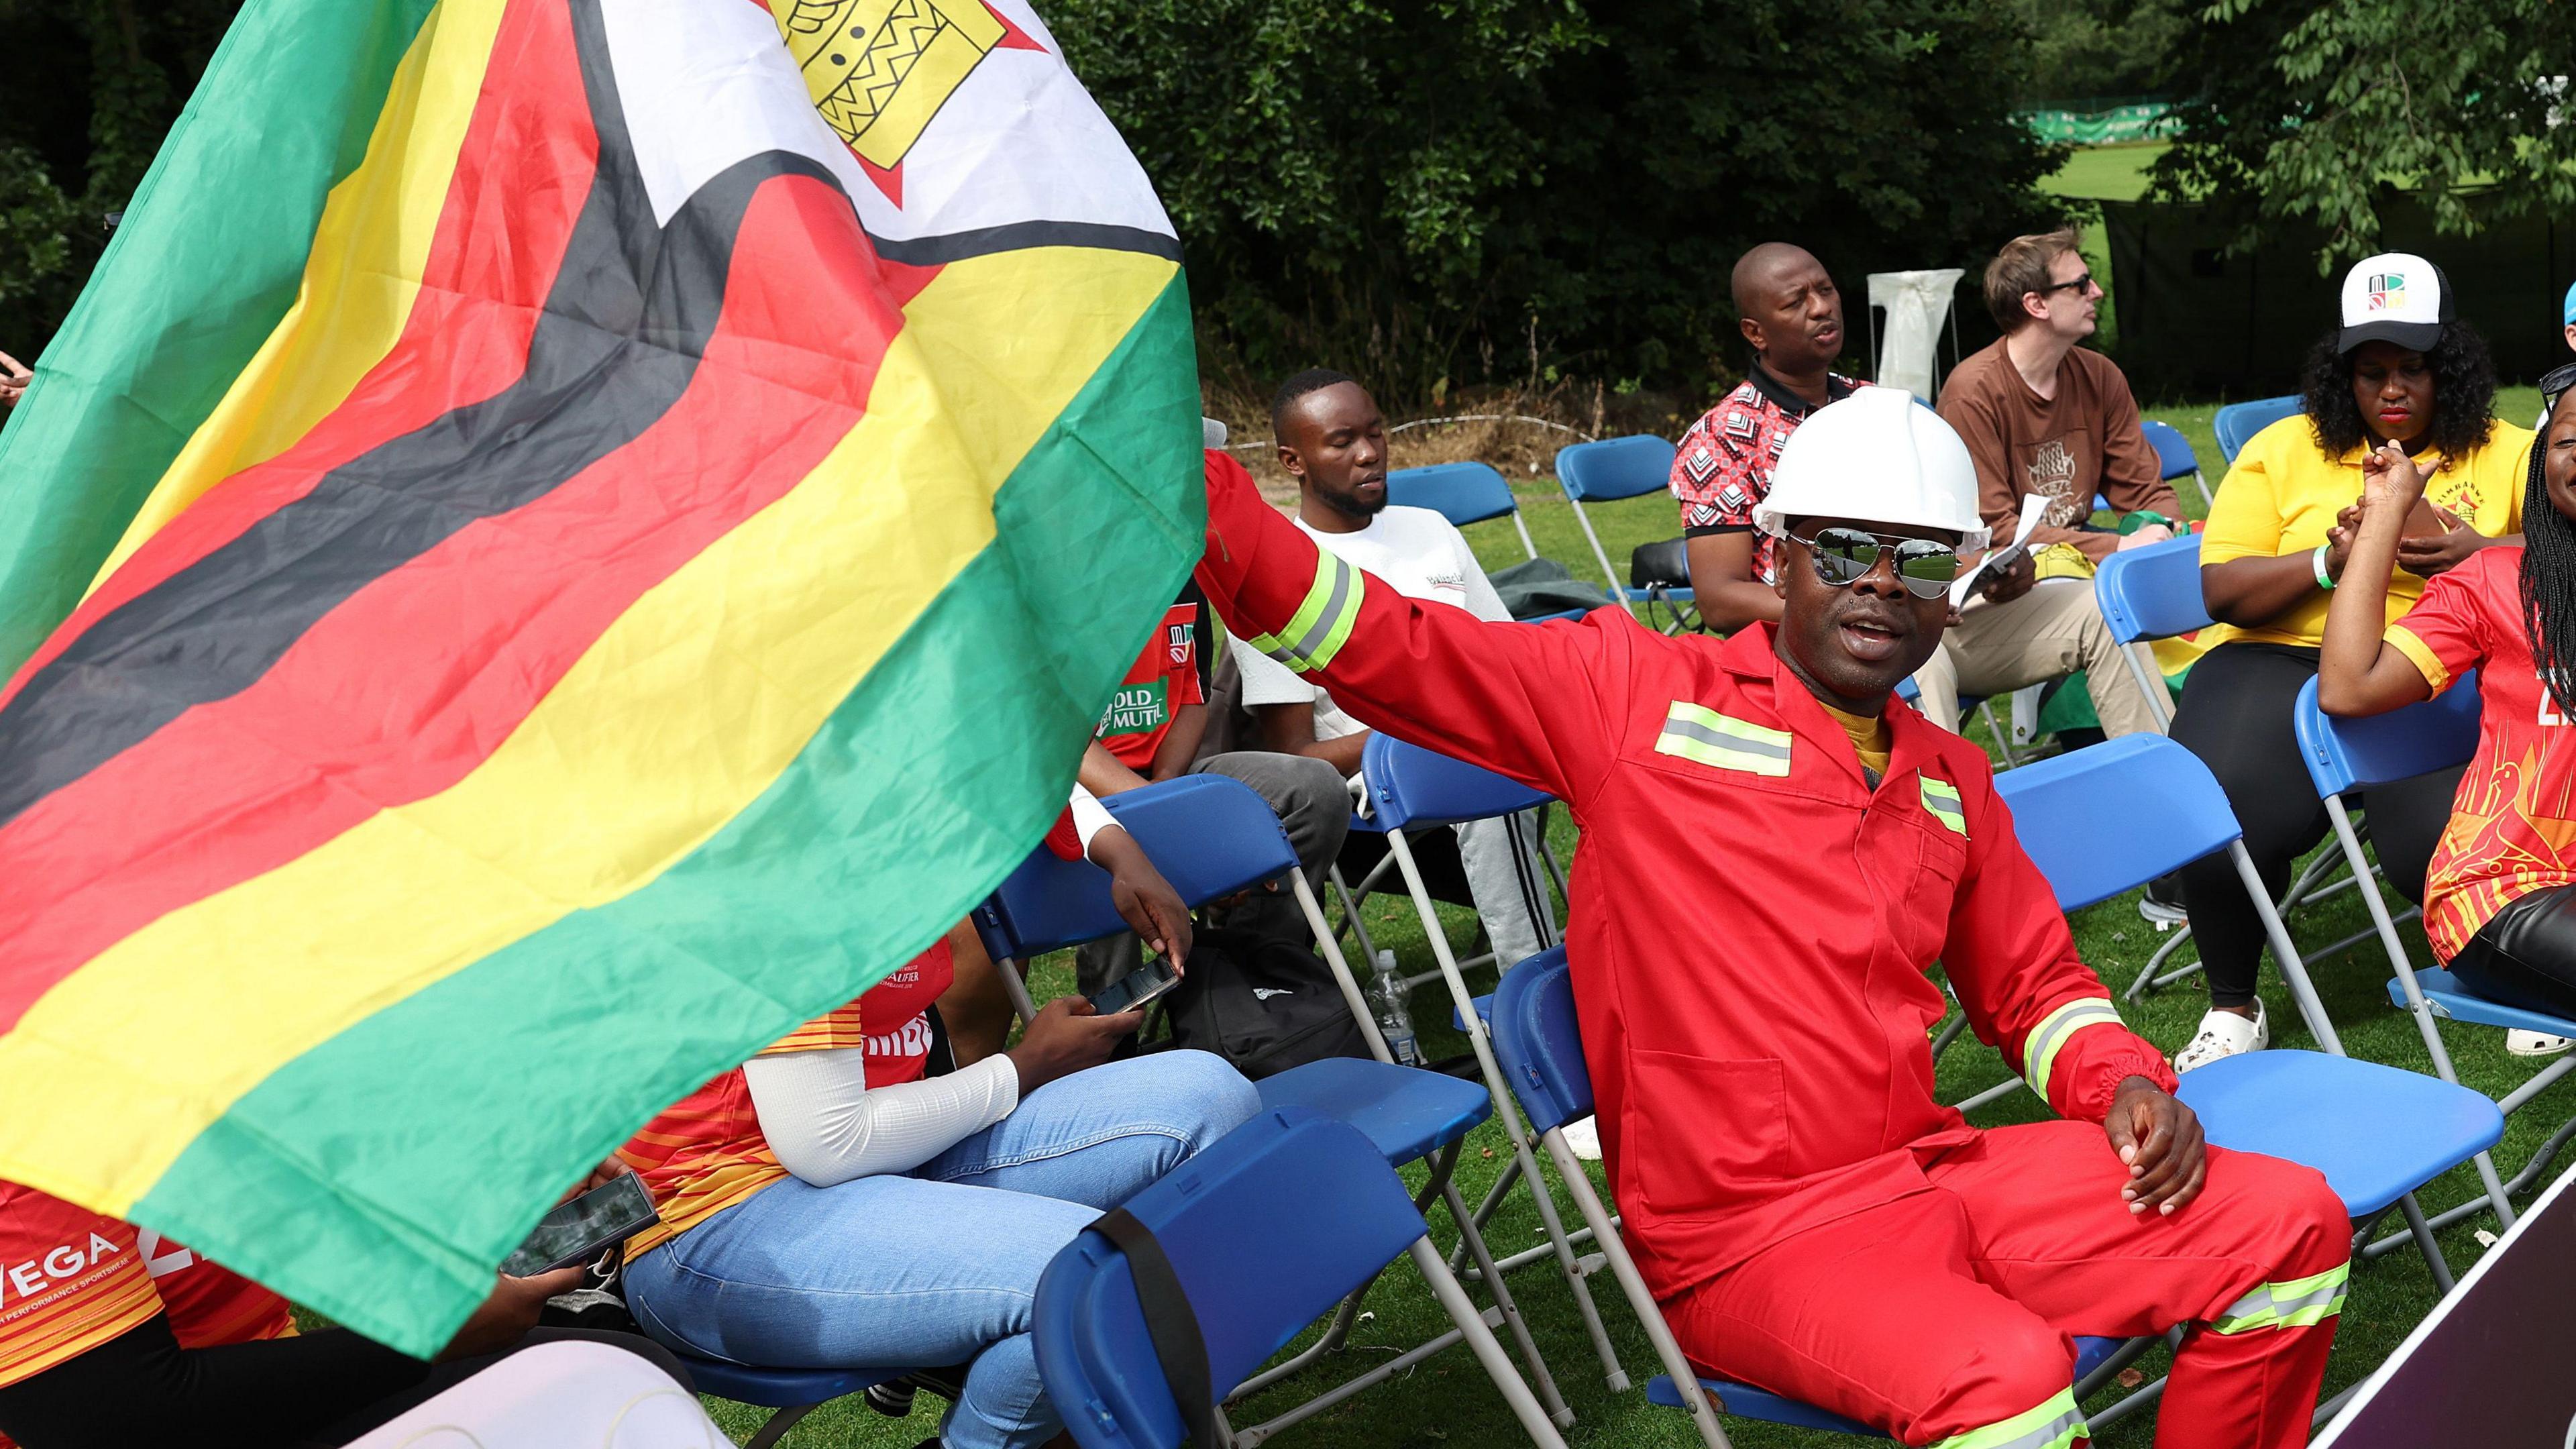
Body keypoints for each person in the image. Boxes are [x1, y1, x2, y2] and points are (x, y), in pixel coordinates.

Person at [1195, 384, 2350, 1449]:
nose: (1882, 584)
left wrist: (2125, 1081)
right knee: (2007, 1385)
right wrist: (1183, 483)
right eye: (1846, 550)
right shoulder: (1635, 694)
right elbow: (1384, 642)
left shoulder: (1949, 775)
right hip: (1744, 1238)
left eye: (1920, 562)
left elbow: (2039, 987)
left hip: (1932, 1174)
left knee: (2288, 1224)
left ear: (1958, 588)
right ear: (1778, 556)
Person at [616, 797, 1260, 1449]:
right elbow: (827, 1143)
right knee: (1090, 1279)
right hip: (721, 1212)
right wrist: (1024, 1067)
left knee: (1214, 1100)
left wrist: (1123, 852)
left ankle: (1035, 1368)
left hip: (895, 1150)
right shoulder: (793, 857)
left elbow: (1041, 771)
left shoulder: (929, 792)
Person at [2169, 252, 2532, 1071]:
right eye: (2371, 372)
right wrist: (2329, 564)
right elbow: (2221, 591)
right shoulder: (2281, 448)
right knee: (2223, 795)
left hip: (2433, 664)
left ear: (2453, 368)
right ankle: (2233, 1002)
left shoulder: (2507, 451)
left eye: (2414, 368)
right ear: (2342, 377)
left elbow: (2562, 539)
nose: (2393, 389)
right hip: (2278, 655)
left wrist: (2482, 551)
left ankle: (2514, 966)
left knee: (2430, 846)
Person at [1228, 370, 1556, 970]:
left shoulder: (1428, 529)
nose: (1368, 453)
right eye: (1342, 441)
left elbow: (1512, 654)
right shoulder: (1273, 581)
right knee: (1485, 767)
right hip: (1377, 777)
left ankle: (1641, 945)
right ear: (1291, 460)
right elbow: (1297, 756)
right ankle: (1535, 982)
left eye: (1376, 433)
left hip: (1480, 732)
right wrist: (1416, 729)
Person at [0, 1175, 686, 1449]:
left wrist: (496, 1185)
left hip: (259, 1406)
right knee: (601, 1382)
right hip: (169, 1433)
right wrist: (429, 1337)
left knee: (604, 1370)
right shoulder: (24, 1137)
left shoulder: (184, 1079)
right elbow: (105, 1419)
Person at [2320, 379, 2576, 1027]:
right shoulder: (2495, 581)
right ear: (2544, 460)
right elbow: (2348, 688)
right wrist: (2387, 512)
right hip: (2508, 892)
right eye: (2571, 440)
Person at [1924, 227, 2178, 739]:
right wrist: (2121, 545)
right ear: (2037, 304)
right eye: (2081, 284)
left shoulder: (2099, 376)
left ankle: (2166, 783)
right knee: (2108, 607)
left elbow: (2145, 488)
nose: (2097, 293)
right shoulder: (1974, 392)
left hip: (2068, 578)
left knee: (2186, 590)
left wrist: (2162, 526)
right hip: (1986, 598)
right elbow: (1999, 533)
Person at [1669, 243, 1866, 632]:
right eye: (1795, 302)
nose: (1821, 308)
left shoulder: (1872, 406)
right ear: (1755, 333)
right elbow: (1720, 600)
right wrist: (1855, 605)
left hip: (1913, 613)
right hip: (1803, 644)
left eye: (1825, 290)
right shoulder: (1721, 439)